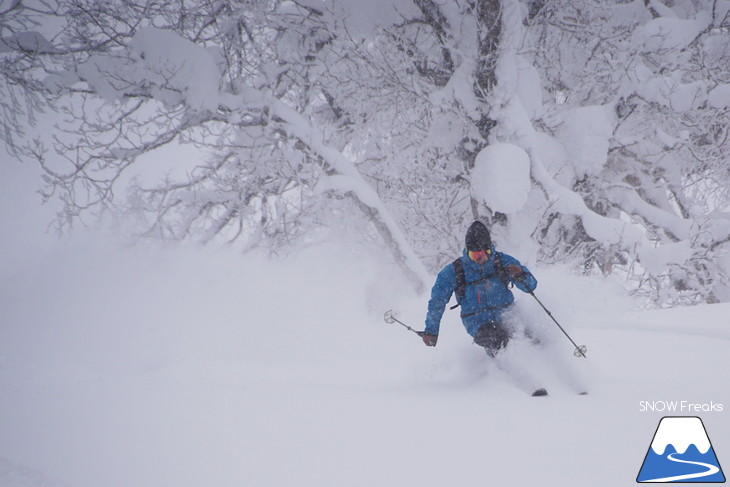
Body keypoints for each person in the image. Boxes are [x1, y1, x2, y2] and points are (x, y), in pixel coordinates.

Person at [422, 221, 537, 357]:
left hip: (508, 314)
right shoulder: (454, 271)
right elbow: (437, 301)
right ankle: (504, 372)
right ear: (467, 252)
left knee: (530, 339)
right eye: (475, 255)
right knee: (499, 341)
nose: (480, 259)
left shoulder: (501, 261)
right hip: (477, 322)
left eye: (485, 253)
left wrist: (520, 275)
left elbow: (531, 286)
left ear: (490, 249)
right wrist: (431, 331)